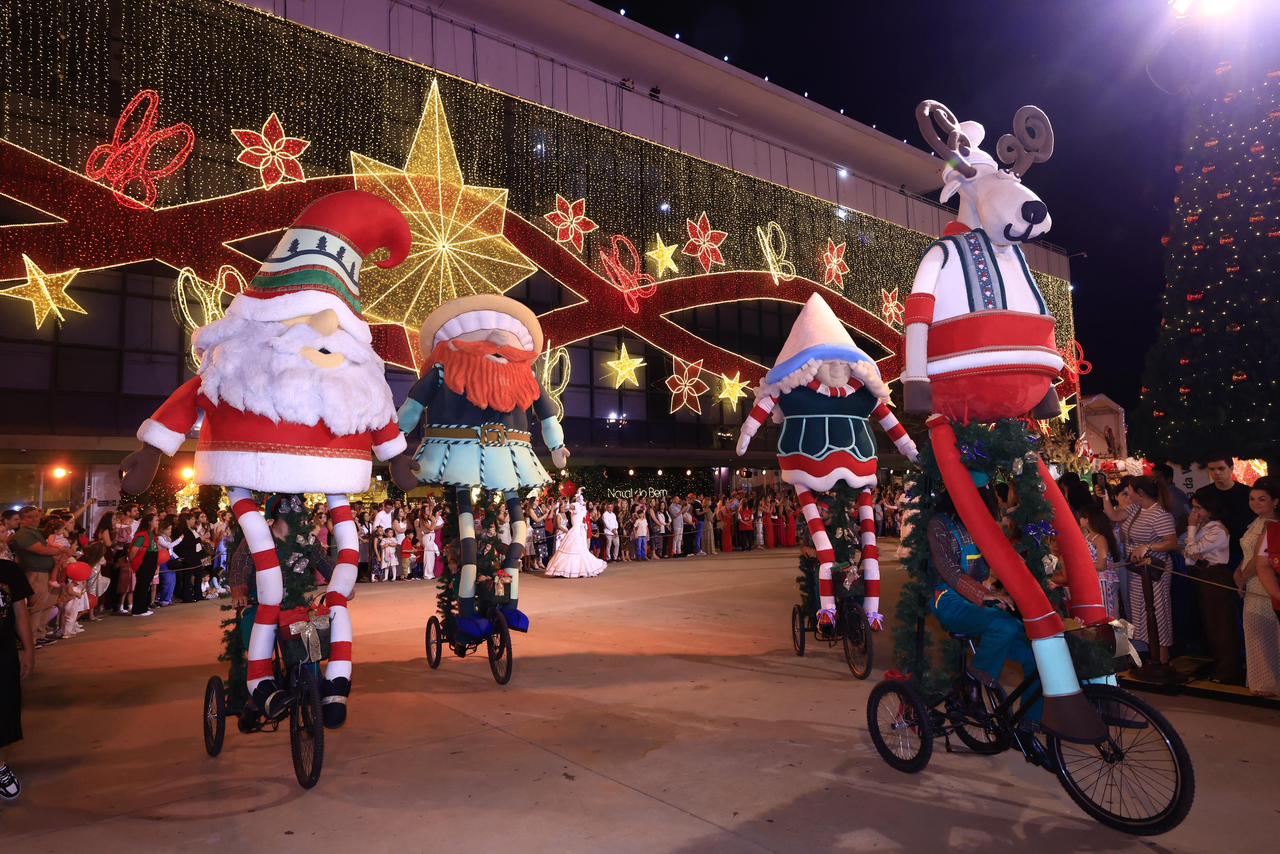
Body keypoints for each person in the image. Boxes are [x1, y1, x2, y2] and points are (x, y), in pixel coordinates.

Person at [926, 496, 1041, 726]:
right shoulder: (939, 524)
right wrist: (982, 594)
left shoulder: (983, 523)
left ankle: (1030, 724)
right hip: (947, 598)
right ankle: (971, 681)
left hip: (982, 596)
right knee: (1004, 626)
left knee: (1038, 654)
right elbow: (948, 569)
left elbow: (1003, 557)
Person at [1109, 477, 1178, 664]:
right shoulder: (1135, 509)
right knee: (1141, 611)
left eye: (1129, 490)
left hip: (1155, 569)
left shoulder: (1161, 514)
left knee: (1157, 610)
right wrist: (1105, 497)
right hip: (1138, 570)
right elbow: (1114, 516)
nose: (1127, 494)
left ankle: (1162, 657)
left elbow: (1171, 542)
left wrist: (1148, 546)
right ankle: (1151, 654)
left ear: (1140, 493)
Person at [1184, 490, 1241, 683]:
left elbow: (1192, 549)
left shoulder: (1216, 530)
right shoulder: (1206, 527)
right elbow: (1189, 557)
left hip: (1216, 576)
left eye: (1198, 508)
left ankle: (1227, 670)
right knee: (1210, 624)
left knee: (1222, 625)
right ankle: (1219, 666)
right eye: (1193, 508)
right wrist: (1192, 547)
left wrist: (1191, 529)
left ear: (1210, 509)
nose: (1195, 512)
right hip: (1203, 574)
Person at [1236, 476, 1280, 696]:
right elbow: (1247, 556)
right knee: (1258, 634)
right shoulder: (1255, 522)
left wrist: (1242, 578)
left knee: (1263, 634)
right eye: (1252, 499)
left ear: (1275, 502)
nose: (1255, 503)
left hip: (1262, 585)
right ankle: (1264, 683)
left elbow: (1258, 560)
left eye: (1262, 499)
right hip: (1251, 582)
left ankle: (1267, 684)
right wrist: (1239, 573)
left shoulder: (1271, 525)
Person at [0, 557, 35, 801]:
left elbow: (20, 612)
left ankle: (0, 766)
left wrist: (28, 649)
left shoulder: (8, 571)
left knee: (4, 710)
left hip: (2, 655)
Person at [11, 507, 70, 646]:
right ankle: (29, 639)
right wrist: (60, 550)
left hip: (46, 572)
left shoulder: (35, 532)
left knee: (47, 604)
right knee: (38, 606)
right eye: (30, 517)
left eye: (36, 516)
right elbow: (39, 549)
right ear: (22, 519)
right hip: (36, 573)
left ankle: (39, 634)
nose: (34, 519)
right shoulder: (23, 534)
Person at [1196, 457, 1254, 571]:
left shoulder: (1246, 492)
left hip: (1240, 549)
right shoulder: (1203, 493)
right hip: (1212, 551)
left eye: (1221, 468)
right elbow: (1197, 519)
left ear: (1231, 468)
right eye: (1212, 469)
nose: (1216, 472)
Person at [544, 490, 607, 578]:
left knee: (579, 549)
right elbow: (566, 506)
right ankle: (568, 570)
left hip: (578, 531)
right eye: (578, 498)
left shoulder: (579, 507)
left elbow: (573, 507)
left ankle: (579, 569)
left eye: (579, 498)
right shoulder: (577, 507)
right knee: (573, 549)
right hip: (575, 530)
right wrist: (562, 501)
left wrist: (577, 496)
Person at [1078, 506, 1121, 619]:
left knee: (1109, 613)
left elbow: (1102, 565)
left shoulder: (1100, 538)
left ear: (1087, 519)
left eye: (1081, 517)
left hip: (1104, 580)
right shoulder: (1087, 536)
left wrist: (1083, 564)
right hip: (1094, 579)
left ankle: (1117, 637)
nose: (1079, 520)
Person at [128, 513, 160, 617]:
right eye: (156, 520)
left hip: (151, 561)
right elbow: (134, 550)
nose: (158, 522)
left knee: (146, 585)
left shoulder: (152, 534)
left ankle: (143, 608)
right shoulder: (143, 535)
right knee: (142, 585)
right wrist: (133, 561)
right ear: (149, 522)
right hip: (144, 562)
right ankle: (138, 610)